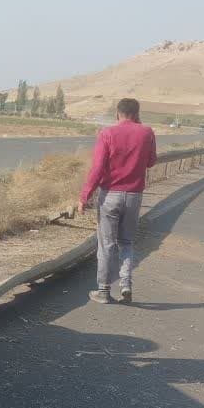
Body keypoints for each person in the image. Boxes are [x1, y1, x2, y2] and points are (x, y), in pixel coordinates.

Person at [78, 97, 156, 305]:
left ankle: (103, 290)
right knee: (126, 242)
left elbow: (97, 168)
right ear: (137, 113)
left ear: (117, 113)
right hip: (133, 196)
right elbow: (151, 161)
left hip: (110, 194)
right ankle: (126, 284)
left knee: (106, 244)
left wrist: (85, 195)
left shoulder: (107, 133)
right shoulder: (147, 132)